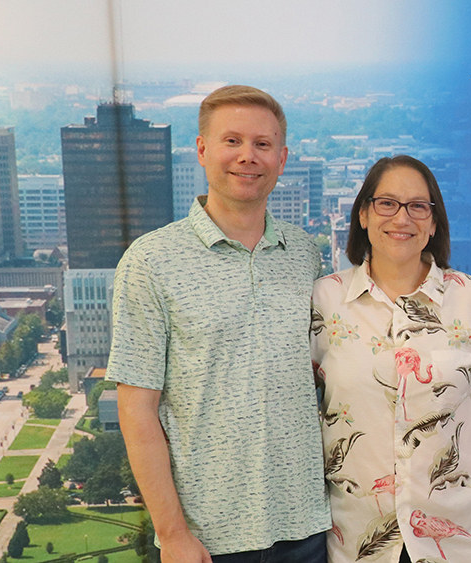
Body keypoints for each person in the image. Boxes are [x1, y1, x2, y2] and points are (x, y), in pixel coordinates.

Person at [107, 85, 330, 563]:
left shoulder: (305, 254)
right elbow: (137, 412)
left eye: (263, 144)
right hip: (208, 540)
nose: (248, 157)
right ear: (202, 149)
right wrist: (173, 534)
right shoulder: (151, 261)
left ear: (282, 158)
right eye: (232, 141)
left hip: (310, 527)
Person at [311, 155, 471, 563]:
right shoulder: (322, 302)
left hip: (464, 540)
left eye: (417, 206)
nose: (402, 218)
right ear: (363, 214)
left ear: (432, 222)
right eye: (387, 203)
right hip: (359, 540)